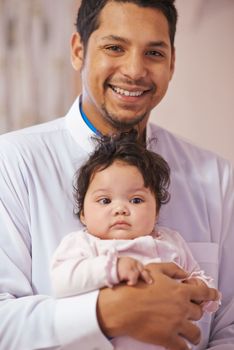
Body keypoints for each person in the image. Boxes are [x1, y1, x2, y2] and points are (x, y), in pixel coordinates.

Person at [0, 0, 233, 349]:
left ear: (172, 63)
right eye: (114, 47)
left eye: (154, 52)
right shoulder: (12, 162)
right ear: (79, 50)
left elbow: (229, 322)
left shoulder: (216, 176)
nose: (135, 70)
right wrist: (108, 312)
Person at [50, 131, 220, 350]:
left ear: (156, 211)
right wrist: (112, 268)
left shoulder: (170, 241)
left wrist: (200, 288)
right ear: (83, 213)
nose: (120, 208)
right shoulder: (85, 244)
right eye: (105, 200)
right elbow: (61, 281)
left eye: (136, 200)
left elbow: (195, 274)